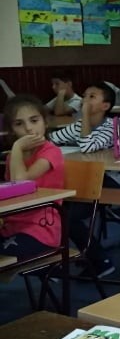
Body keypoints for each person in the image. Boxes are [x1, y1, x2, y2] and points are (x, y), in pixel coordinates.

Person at [48, 82, 120, 277]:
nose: (84, 100)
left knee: (68, 217)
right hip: (87, 177)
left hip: (112, 180)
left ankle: (100, 260)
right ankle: (59, 260)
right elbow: (51, 139)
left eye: (92, 97)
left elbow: (87, 146)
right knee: (57, 210)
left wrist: (83, 116)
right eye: (84, 96)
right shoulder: (80, 125)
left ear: (105, 106)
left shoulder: (111, 127)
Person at [0, 95, 65, 259]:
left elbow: (20, 184)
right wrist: (16, 152)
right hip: (12, 225)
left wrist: (17, 147)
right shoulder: (13, 156)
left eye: (34, 121)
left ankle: (51, 270)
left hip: (41, 229)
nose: (28, 128)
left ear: (45, 122)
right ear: (11, 129)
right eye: (19, 124)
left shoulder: (51, 152)